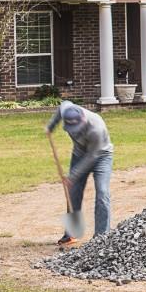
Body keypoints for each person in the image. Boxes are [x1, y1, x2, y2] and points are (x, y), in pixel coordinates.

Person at [46, 100, 113, 246]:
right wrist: (51, 126)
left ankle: (102, 236)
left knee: (102, 192)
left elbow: (92, 156)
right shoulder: (67, 110)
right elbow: (61, 107)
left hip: (101, 155)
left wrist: (73, 176)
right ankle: (71, 234)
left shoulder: (96, 128)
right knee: (73, 192)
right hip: (79, 153)